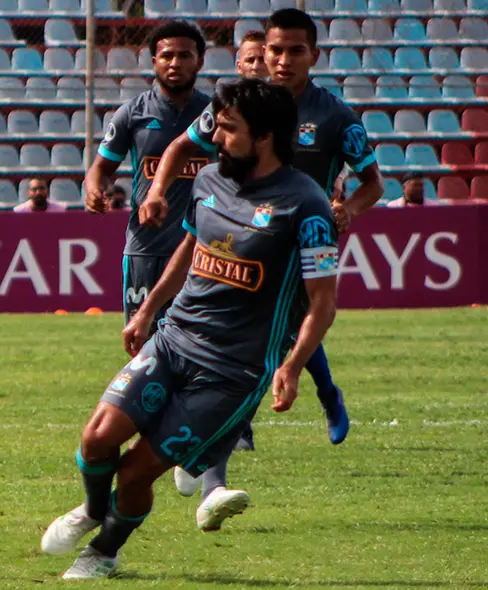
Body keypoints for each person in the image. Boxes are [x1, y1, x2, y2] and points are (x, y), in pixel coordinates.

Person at [41, 78, 340, 580]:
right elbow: (190, 251)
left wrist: (290, 366)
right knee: (97, 439)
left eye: (228, 130)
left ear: (264, 136)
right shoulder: (208, 182)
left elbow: (323, 303)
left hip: (232, 372)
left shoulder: (305, 205)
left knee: (137, 472)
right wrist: (147, 311)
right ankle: (93, 510)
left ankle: (104, 551)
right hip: (173, 338)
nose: (215, 139)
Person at [143, 8, 385, 525]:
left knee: (257, 354)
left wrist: (348, 209)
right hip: (236, 244)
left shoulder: (337, 117)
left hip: (294, 251)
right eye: (274, 50)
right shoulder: (240, 105)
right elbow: (181, 146)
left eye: (295, 50)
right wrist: (159, 190)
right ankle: (213, 470)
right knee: (238, 351)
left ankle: (212, 470)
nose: (281, 60)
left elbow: (372, 182)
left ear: (313, 56)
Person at [83, 20, 213, 331]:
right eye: (167, 56)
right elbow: (100, 169)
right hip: (146, 247)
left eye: (184, 56)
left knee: (202, 343)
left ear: (200, 61)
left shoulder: (216, 114)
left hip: (202, 248)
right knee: (142, 340)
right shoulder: (133, 113)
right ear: (154, 60)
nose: (175, 63)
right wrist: (93, 190)